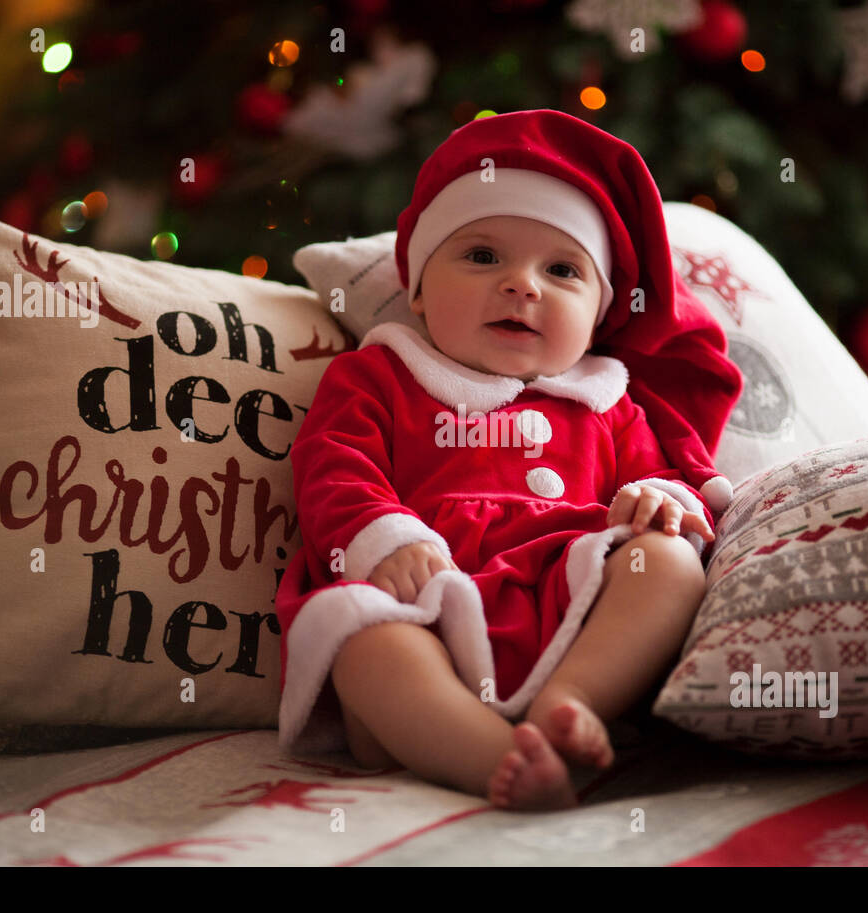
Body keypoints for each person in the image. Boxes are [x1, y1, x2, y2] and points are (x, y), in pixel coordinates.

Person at [275, 109, 744, 810]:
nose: (522, 285)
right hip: (425, 593)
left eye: (561, 270)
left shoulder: (607, 400)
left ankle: (573, 700)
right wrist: (383, 537)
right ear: (421, 291)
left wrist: (657, 497)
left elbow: (661, 474)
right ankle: (485, 752)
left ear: (598, 317)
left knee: (668, 561)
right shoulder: (381, 374)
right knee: (356, 631)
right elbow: (332, 464)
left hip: (568, 597)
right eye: (483, 256)